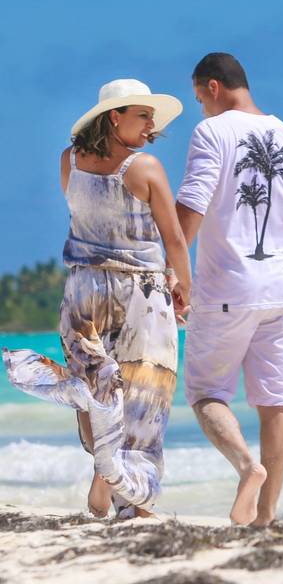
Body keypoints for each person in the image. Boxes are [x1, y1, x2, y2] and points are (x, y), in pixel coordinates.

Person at [2, 79, 191, 519]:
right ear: (114, 116)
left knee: (99, 389)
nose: (151, 126)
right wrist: (186, 292)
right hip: (140, 293)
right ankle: (137, 501)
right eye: (142, 115)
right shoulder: (146, 169)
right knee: (145, 394)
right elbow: (175, 238)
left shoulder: (69, 160)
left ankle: (104, 478)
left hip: (83, 291)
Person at [174, 52, 283, 526]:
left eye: (199, 96)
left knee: (205, 392)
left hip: (226, 289)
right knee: (276, 402)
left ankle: (248, 467)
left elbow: (192, 207)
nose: (200, 106)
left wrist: (175, 274)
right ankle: (265, 518)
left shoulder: (213, 132)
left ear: (213, 87)